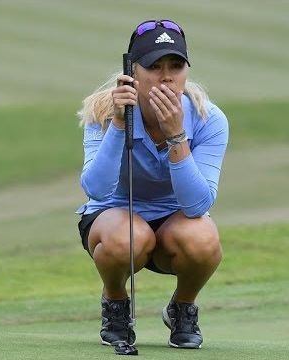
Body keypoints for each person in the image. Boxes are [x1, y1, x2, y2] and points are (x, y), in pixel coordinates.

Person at [75, 19, 229, 349]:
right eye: (154, 66)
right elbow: (97, 189)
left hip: (175, 221)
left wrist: (176, 136)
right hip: (112, 219)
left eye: (175, 65)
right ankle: (115, 303)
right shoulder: (103, 112)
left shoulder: (208, 119)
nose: (166, 76)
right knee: (128, 237)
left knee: (204, 239)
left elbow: (197, 205)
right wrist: (119, 123)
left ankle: (182, 308)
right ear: (133, 71)